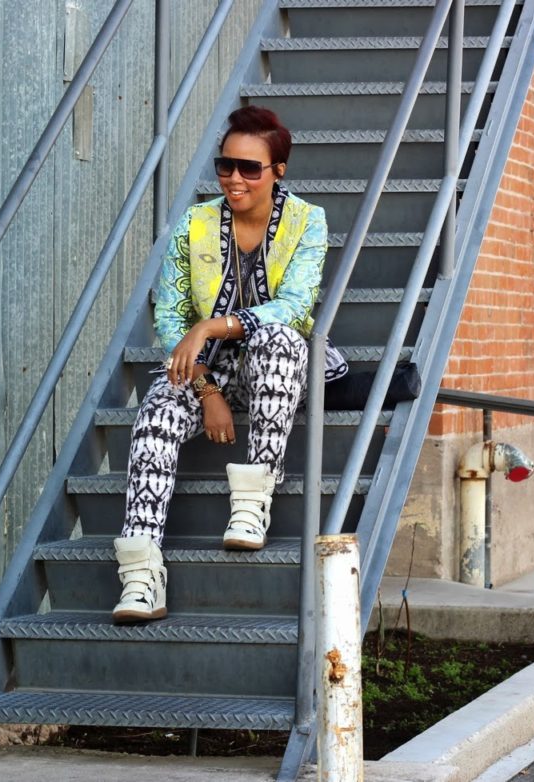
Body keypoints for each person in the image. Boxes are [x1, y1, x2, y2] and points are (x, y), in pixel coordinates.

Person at [111, 106, 346, 623]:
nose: (234, 178)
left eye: (249, 168)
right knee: (157, 410)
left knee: (279, 339)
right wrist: (206, 389)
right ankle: (142, 574)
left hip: (279, 369)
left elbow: (295, 306)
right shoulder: (195, 224)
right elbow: (170, 314)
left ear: (278, 170)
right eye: (225, 165)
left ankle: (253, 500)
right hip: (210, 370)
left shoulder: (308, 222)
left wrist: (212, 326)